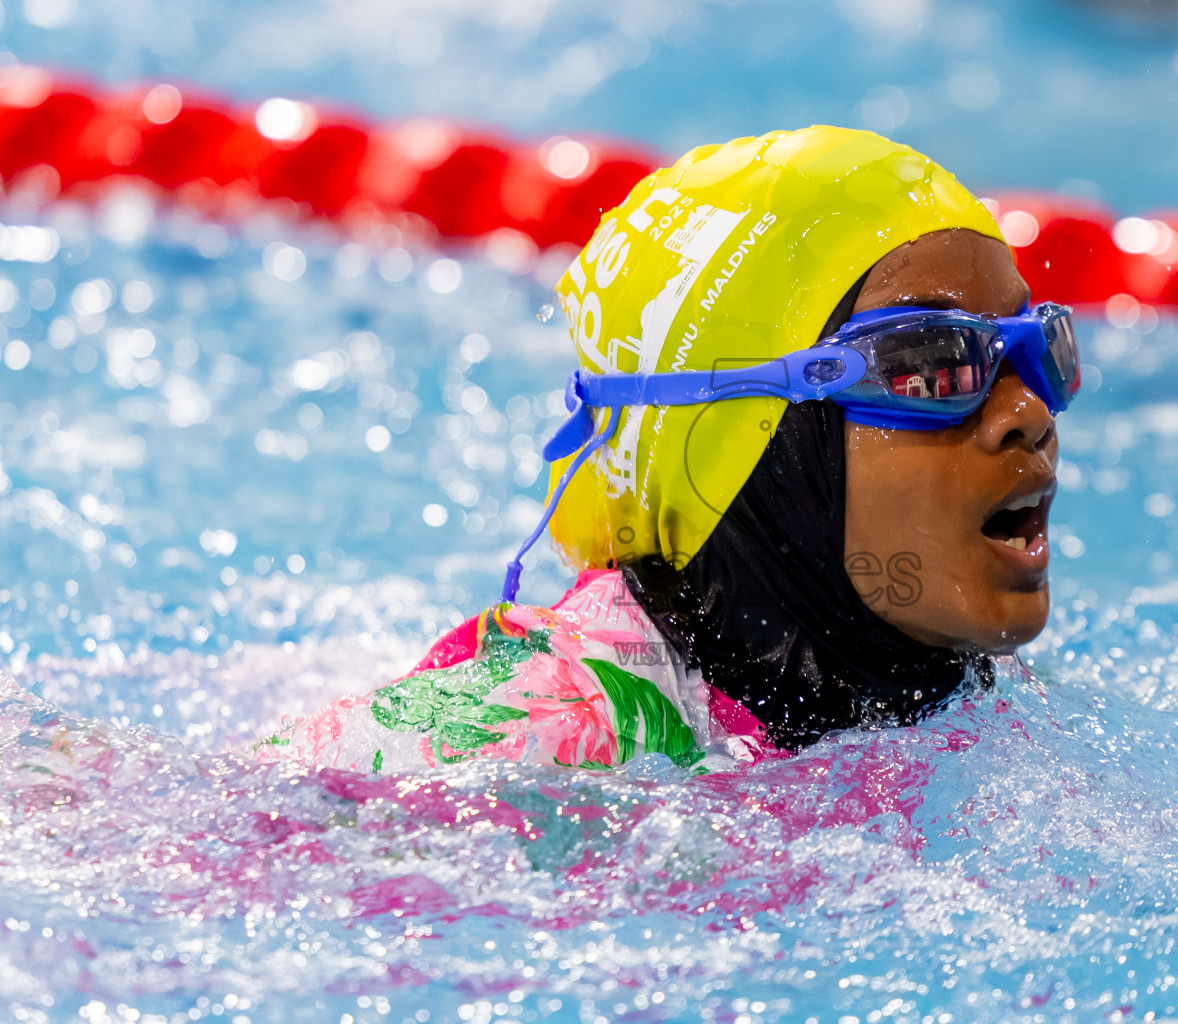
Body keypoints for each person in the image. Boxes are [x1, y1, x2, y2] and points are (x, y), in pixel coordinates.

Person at [257, 125, 1076, 774]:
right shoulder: (538, 731)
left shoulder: (962, 699)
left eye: (1037, 348)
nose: (1029, 412)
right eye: (935, 365)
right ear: (751, 442)